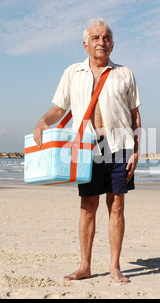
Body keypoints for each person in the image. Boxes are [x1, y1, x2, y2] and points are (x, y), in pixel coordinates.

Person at [33, 18, 141, 283]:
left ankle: (114, 267)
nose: (101, 42)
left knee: (116, 206)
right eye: (95, 38)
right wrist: (43, 121)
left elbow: (135, 114)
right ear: (85, 44)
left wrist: (137, 151)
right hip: (86, 147)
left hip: (119, 145)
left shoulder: (125, 73)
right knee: (87, 206)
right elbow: (59, 108)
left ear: (112, 45)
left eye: (105, 38)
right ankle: (85, 266)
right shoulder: (72, 72)